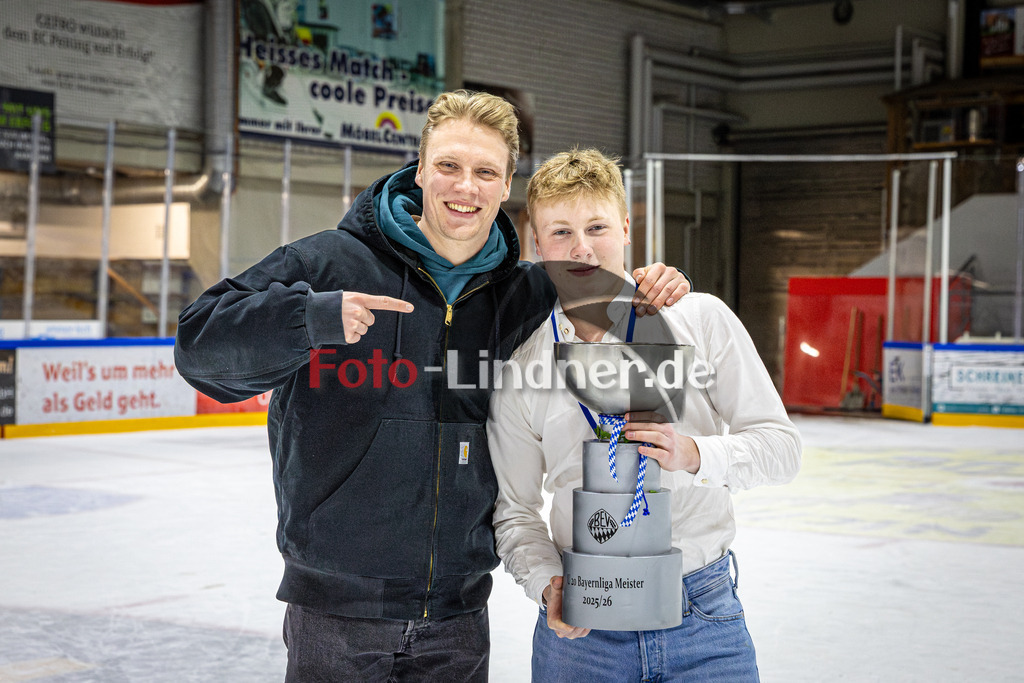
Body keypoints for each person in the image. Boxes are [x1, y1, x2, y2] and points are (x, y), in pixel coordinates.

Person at [173, 91, 690, 682]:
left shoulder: (527, 295)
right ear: (420, 170)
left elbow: (616, 303)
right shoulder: (330, 264)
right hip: (336, 614)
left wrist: (660, 280)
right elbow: (198, 345)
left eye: (484, 172)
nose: (464, 187)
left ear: (506, 185)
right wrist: (311, 317)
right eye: (448, 165)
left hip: (458, 616)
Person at [487, 148, 802, 681]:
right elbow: (514, 510)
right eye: (560, 232)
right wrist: (546, 582)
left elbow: (781, 449)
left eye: (597, 226)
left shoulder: (698, 320)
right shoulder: (522, 365)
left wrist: (695, 453)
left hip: (703, 615)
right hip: (583, 628)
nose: (582, 248)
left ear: (627, 227)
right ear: (536, 244)